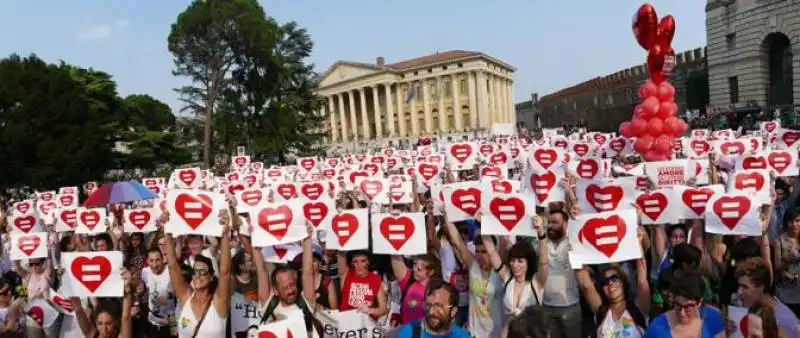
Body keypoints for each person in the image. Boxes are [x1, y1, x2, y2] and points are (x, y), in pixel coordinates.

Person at [163, 209, 232, 338]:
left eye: (203, 272)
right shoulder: (186, 297)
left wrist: (225, 233)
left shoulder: (219, 302)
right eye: (195, 272)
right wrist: (167, 231)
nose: (198, 275)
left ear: (211, 277)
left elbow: (225, 272)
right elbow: (172, 266)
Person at [644, 270, 724, 338]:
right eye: (678, 305)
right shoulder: (657, 328)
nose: (682, 313)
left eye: (688, 307)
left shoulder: (712, 319)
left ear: (699, 303)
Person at [735, 257, 800, 337]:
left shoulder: (784, 321)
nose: (739, 291)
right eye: (739, 286)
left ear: (761, 287)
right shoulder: (749, 307)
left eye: (745, 287)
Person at [395, 280, 470, 338]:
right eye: (429, 305)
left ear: (453, 311)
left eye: (439, 306)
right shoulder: (410, 332)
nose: (431, 312)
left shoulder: (461, 336)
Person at [141, 247, 176, 337]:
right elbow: (145, 290)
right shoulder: (145, 272)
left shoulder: (171, 270)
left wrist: (167, 297)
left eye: (157, 260)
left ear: (162, 259)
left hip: (170, 319)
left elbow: (180, 292)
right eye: (151, 260)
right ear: (147, 261)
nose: (155, 264)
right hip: (153, 319)